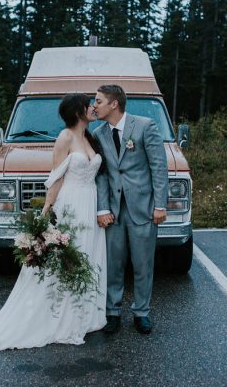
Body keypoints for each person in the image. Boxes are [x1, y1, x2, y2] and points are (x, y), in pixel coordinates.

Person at [0, 93, 107, 352]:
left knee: (89, 255)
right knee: (67, 257)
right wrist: (46, 210)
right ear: (77, 111)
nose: (92, 108)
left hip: (90, 202)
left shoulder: (90, 136)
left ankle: (84, 313)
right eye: (88, 105)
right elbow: (56, 176)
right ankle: (58, 315)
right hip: (71, 203)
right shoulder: (65, 136)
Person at [93, 84, 169, 335]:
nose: (95, 106)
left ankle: (141, 313)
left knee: (142, 263)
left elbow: (158, 168)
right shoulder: (99, 133)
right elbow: (102, 176)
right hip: (113, 211)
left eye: (99, 101)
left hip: (143, 208)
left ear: (114, 104)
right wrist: (102, 208)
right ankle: (112, 312)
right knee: (113, 263)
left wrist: (160, 205)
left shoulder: (145, 126)